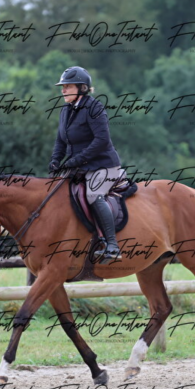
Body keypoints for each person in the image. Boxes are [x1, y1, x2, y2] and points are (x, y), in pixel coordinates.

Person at [48, 66, 127, 264]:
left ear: (82, 88)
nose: (63, 90)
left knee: (93, 194)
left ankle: (112, 246)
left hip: (104, 166)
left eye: (68, 86)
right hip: (79, 167)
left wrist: (75, 160)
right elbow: (60, 141)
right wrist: (56, 160)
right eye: (62, 86)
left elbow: (101, 141)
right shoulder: (66, 111)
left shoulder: (95, 108)